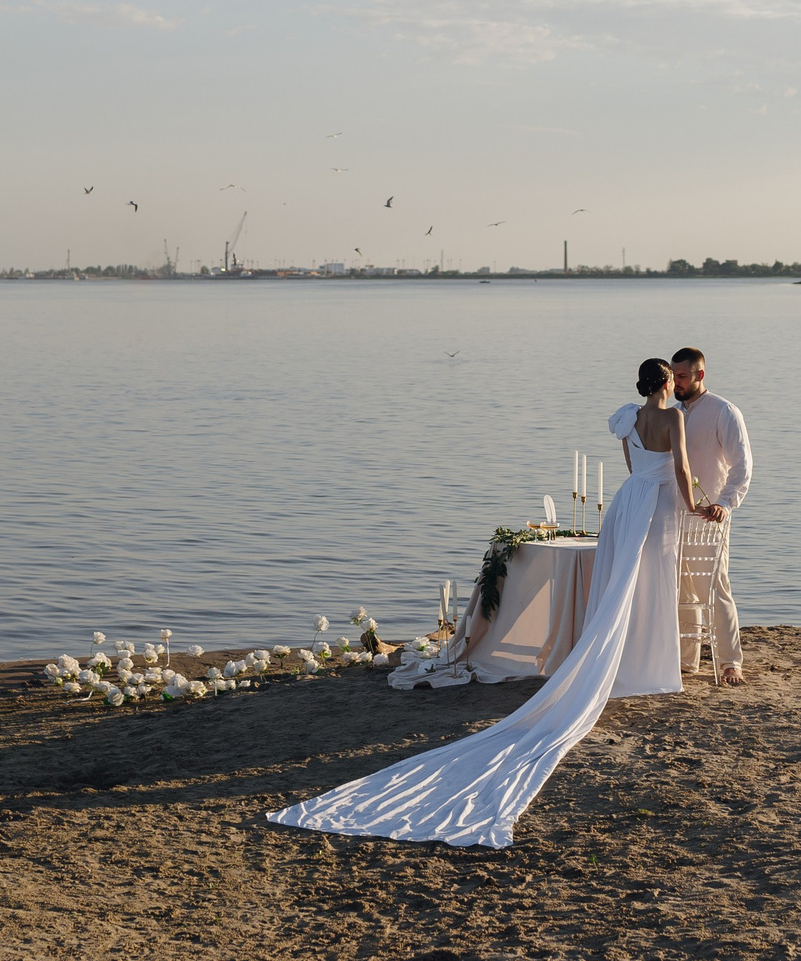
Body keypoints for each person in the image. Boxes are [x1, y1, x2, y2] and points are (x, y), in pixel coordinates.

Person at [269, 358, 698, 847]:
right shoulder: (675, 418)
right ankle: (650, 668)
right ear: (667, 382)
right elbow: (681, 467)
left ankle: (630, 664)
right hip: (659, 502)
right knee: (653, 582)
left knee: (625, 583)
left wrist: (654, 481)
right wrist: (693, 505)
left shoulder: (629, 419)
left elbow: (631, 467)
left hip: (629, 499)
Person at [671, 347, 752, 685]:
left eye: (682, 376)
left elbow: (742, 466)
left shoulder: (724, 412)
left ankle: (731, 662)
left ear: (699, 375)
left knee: (716, 588)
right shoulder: (669, 414)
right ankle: (685, 660)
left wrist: (725, 503)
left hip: (710, 517)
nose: (676, 382)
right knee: (679, 589)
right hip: (672, 515)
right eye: (673, 376)